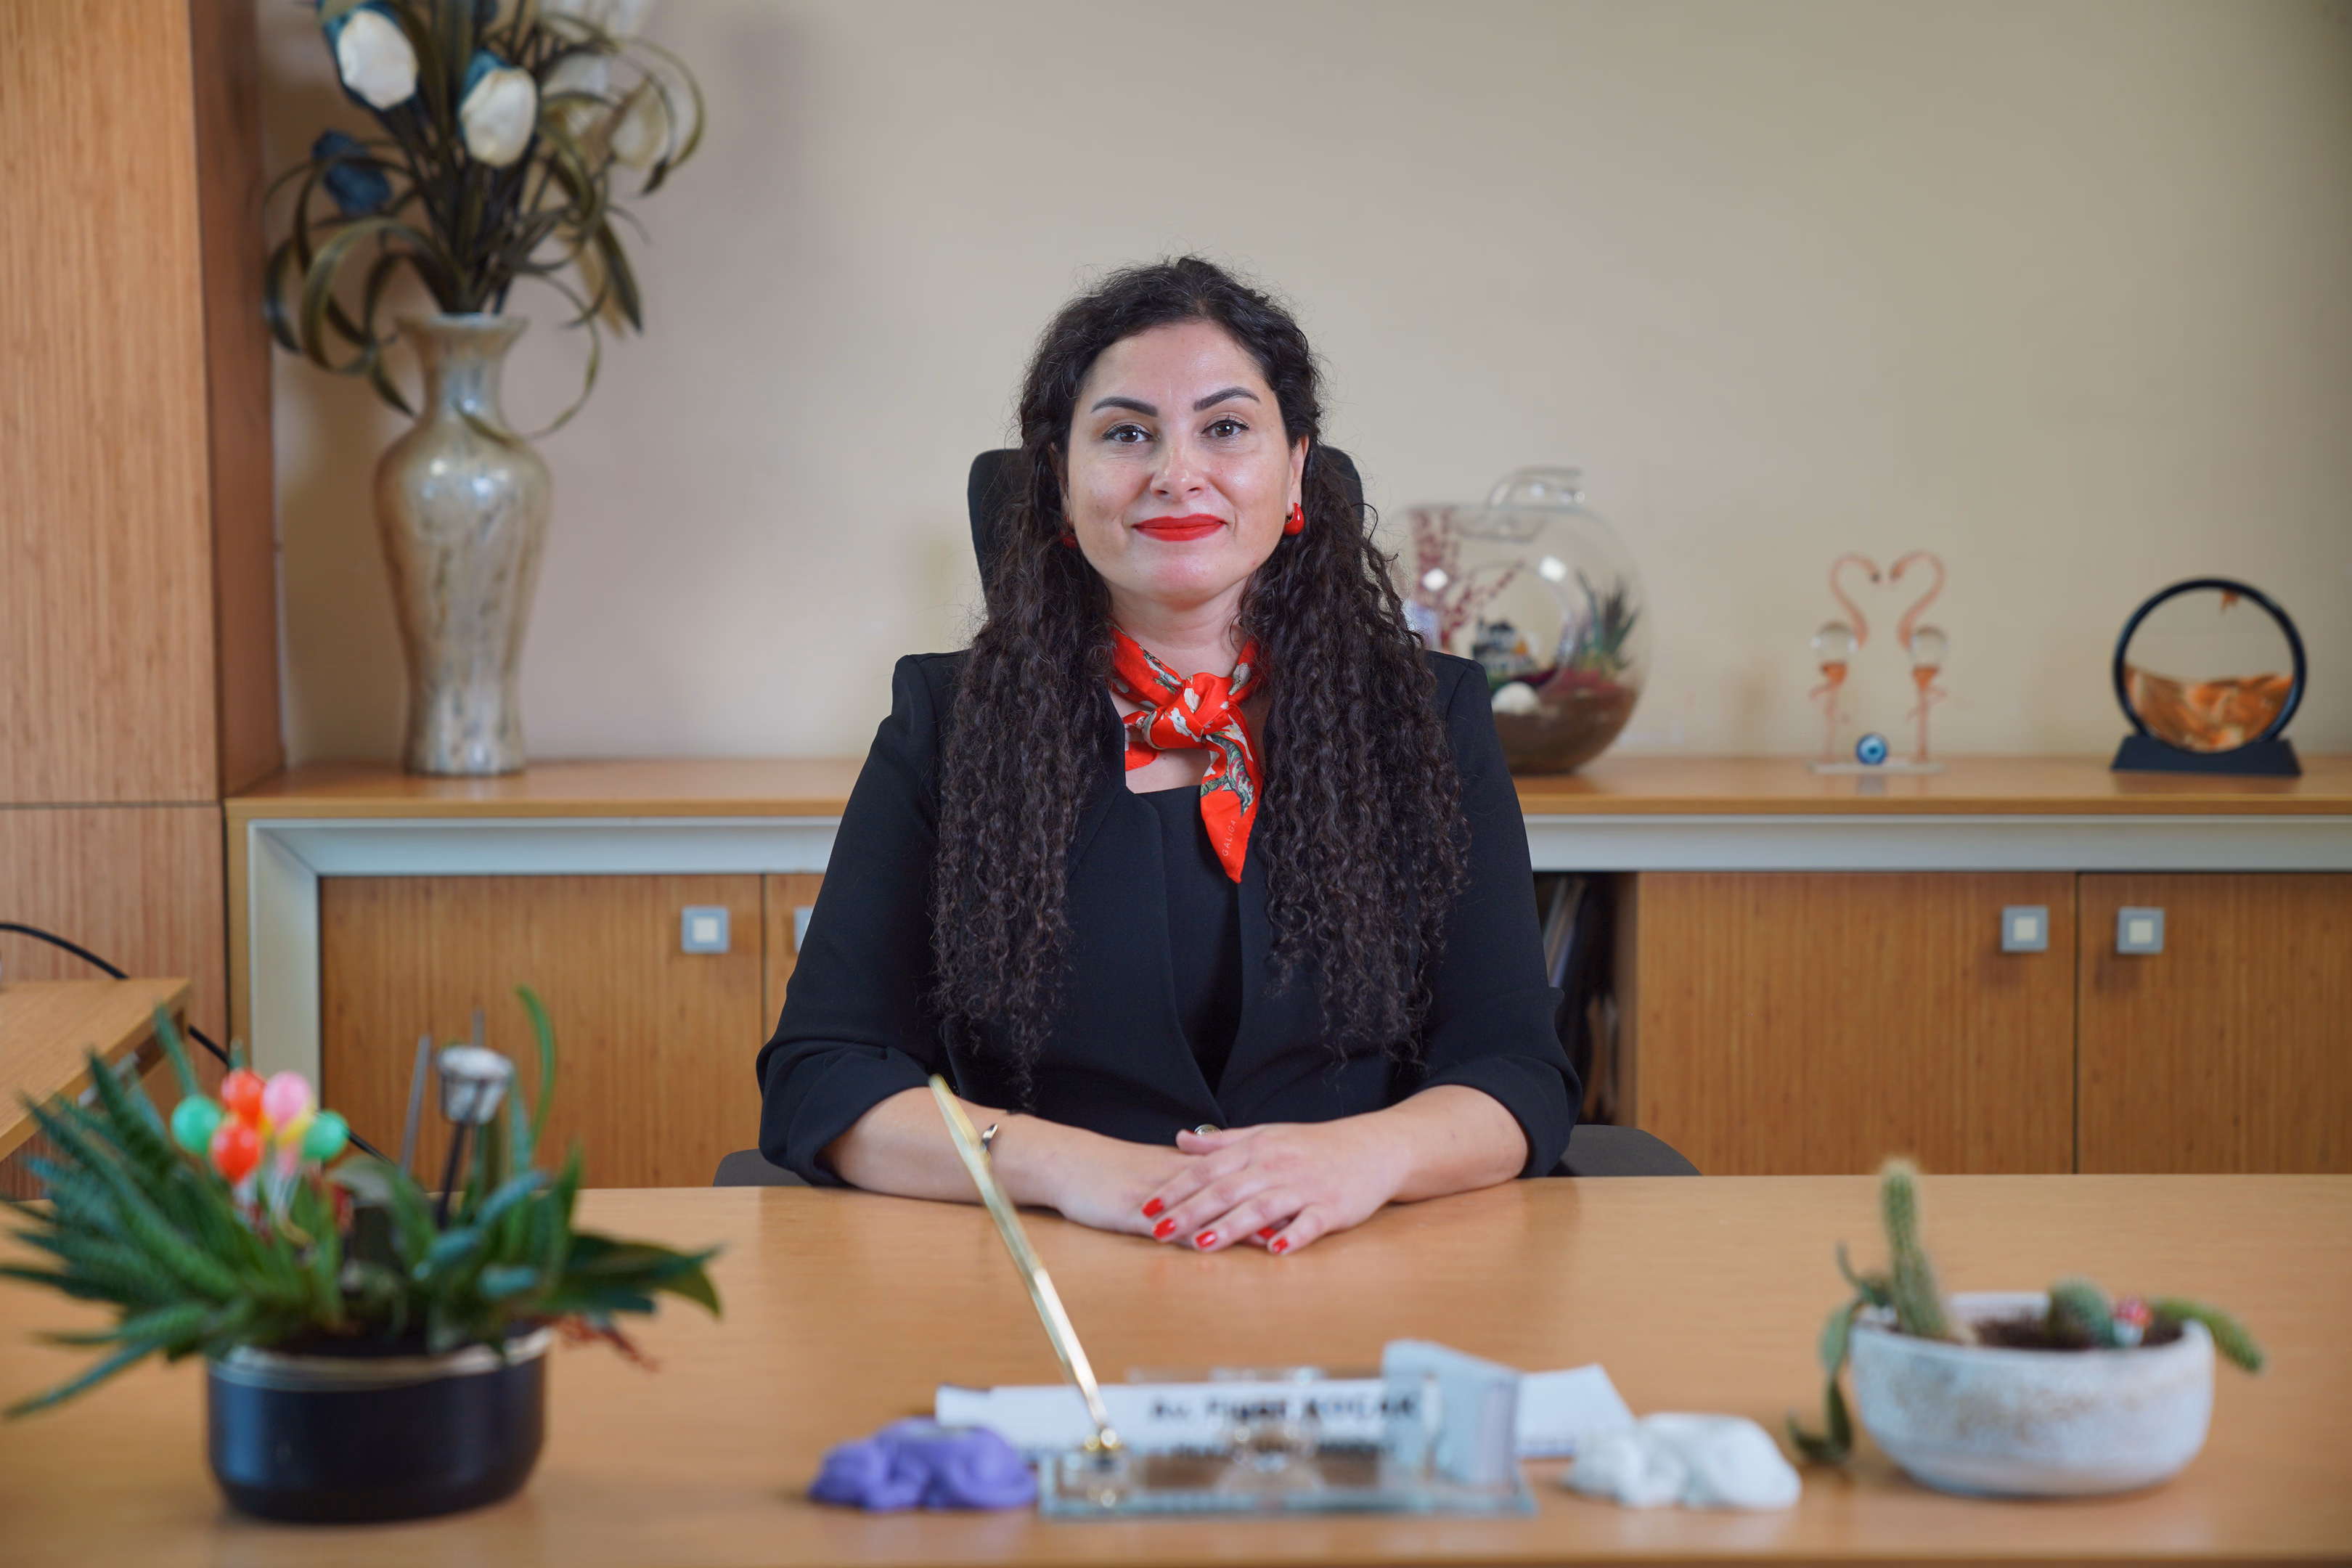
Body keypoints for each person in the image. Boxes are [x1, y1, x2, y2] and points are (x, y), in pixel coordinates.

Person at [756, 257, 1577, 1254]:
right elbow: (825, 1074)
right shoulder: (950, 720)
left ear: (1296, 471)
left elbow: (1516, 1071)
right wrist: (1073, 1171)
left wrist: (1364, 1158)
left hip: (1353, 1264)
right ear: (1061, 482)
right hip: (1048, 1268)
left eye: (1225, 428)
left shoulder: (1426, 716)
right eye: (1126, 433)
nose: (1176, 473)